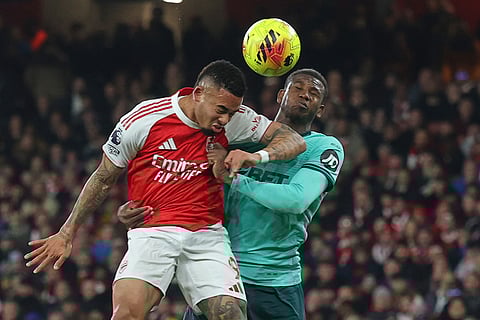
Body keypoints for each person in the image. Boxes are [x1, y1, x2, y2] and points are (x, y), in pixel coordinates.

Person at [23, 60, 306, 320]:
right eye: (221, 110)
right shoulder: (144, 119)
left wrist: (255, 157)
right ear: (198, 93)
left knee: (231, 314)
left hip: (206, 235)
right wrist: (67, 232)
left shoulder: (238, 120)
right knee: (126, 314)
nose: (225, 120)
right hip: (153, 232)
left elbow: (294, 141)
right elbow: (103, 177)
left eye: (231, 113)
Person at [118, 68, 344, 319]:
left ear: (321, 109)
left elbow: (296, 199)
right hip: (220, 274)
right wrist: (142, 208)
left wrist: (234, 178)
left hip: (275, 281)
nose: (304, 96)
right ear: (281, 95)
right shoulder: (240, 135)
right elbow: (184, 177)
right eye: (298, 88)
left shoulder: (324, 147)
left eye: (313, 94)